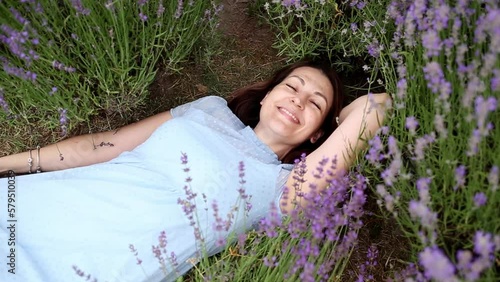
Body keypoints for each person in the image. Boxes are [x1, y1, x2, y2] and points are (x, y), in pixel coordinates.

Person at [0, 59, 391, 281]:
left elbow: (379, 107)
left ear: (318, 133)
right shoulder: (210, 110)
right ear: (270, 91)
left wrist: (343, 115)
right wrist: (9, 166)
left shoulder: (286, 187)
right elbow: (102, 145)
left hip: (80, 271)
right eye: (292, 86)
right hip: (28, 208)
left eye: (314, 102)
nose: (297, 100)